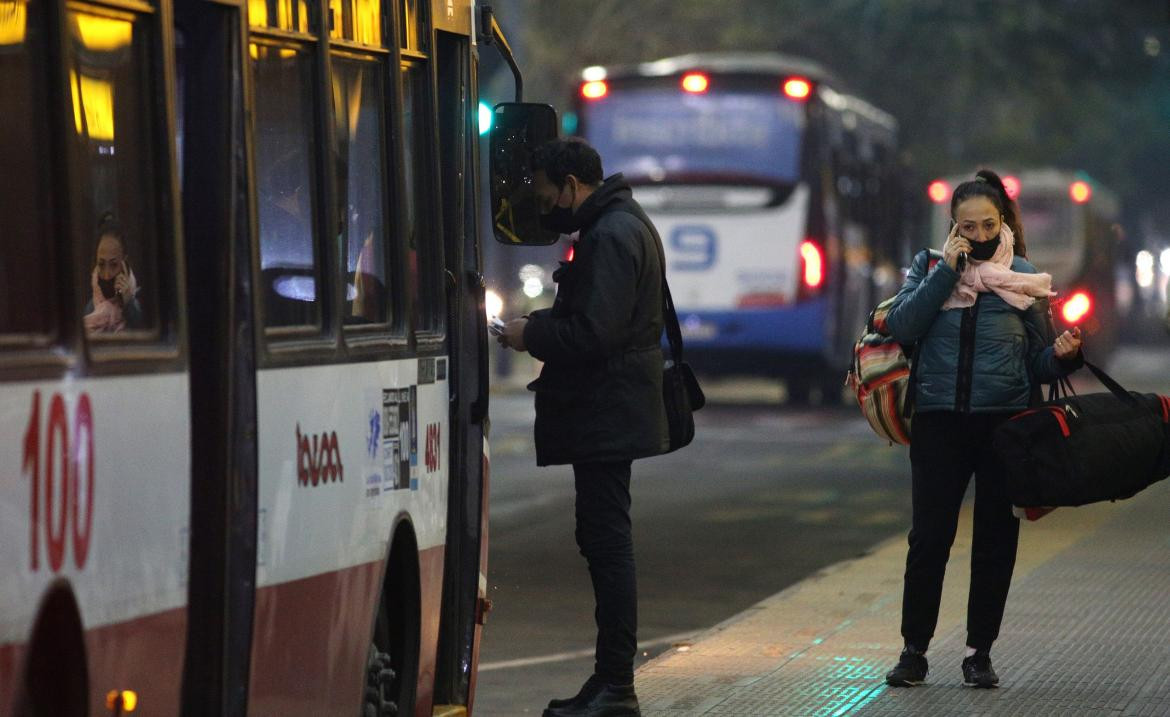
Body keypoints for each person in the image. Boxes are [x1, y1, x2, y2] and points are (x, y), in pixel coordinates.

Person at [882, 169, 1084, 689]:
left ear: (1002, 222)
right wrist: (945, 274)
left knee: (995, 541)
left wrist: (1063, 357)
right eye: (965, 227)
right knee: (929, 538)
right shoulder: (928, 267)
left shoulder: (1025, 278)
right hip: (939, 423)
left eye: (986, 225)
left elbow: (1037, 363)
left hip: (1004, 426)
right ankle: (913, 651)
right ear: (952, 228)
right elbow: (901, 327)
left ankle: (979, 653)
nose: (977, 235)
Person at [497, 138, 668, 717]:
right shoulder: (617, 225)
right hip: (607, 409)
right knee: (602, 542)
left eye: (549, 196)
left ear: (572, 186)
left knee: (608, 546)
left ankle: (617, 685)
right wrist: (544, 321)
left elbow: (596, 333)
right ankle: (609, 682)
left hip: (607, 410)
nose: (548, 209)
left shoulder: (613, 234)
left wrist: (531, 335)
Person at [84, 217, 144, 334]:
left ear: (124, 263)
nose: (106, 275)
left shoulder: (139, 300)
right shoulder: (91, 307)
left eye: (113, 265)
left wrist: (128, 304)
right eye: (101, 264)